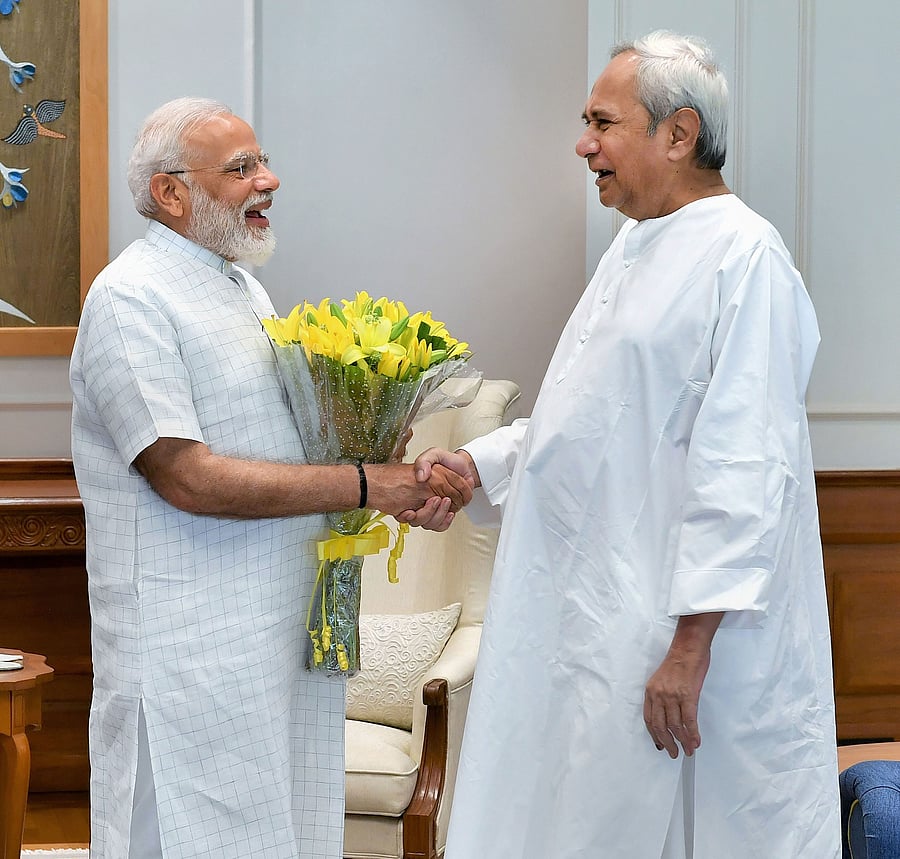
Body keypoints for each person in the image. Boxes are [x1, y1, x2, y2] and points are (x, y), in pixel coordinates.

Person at [411, 30, 841, 858]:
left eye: (602, 123)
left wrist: (689, 646)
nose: (585, 144)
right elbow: (589, 419)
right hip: (601, 612)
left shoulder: (745, 257)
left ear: (677, 135)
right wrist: (478, 464)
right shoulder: (634, 246)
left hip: (687, 636)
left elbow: (746, 465)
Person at [69, 97, 470, 859]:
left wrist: (389, 457)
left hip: (270, 639)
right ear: (170, 193)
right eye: (242, 168)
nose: (269, 180)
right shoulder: (129, 299)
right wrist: (363, 483)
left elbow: (283, 443)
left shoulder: (239, 287)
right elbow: (186, 476)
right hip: (189, 656)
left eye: (262, 161)